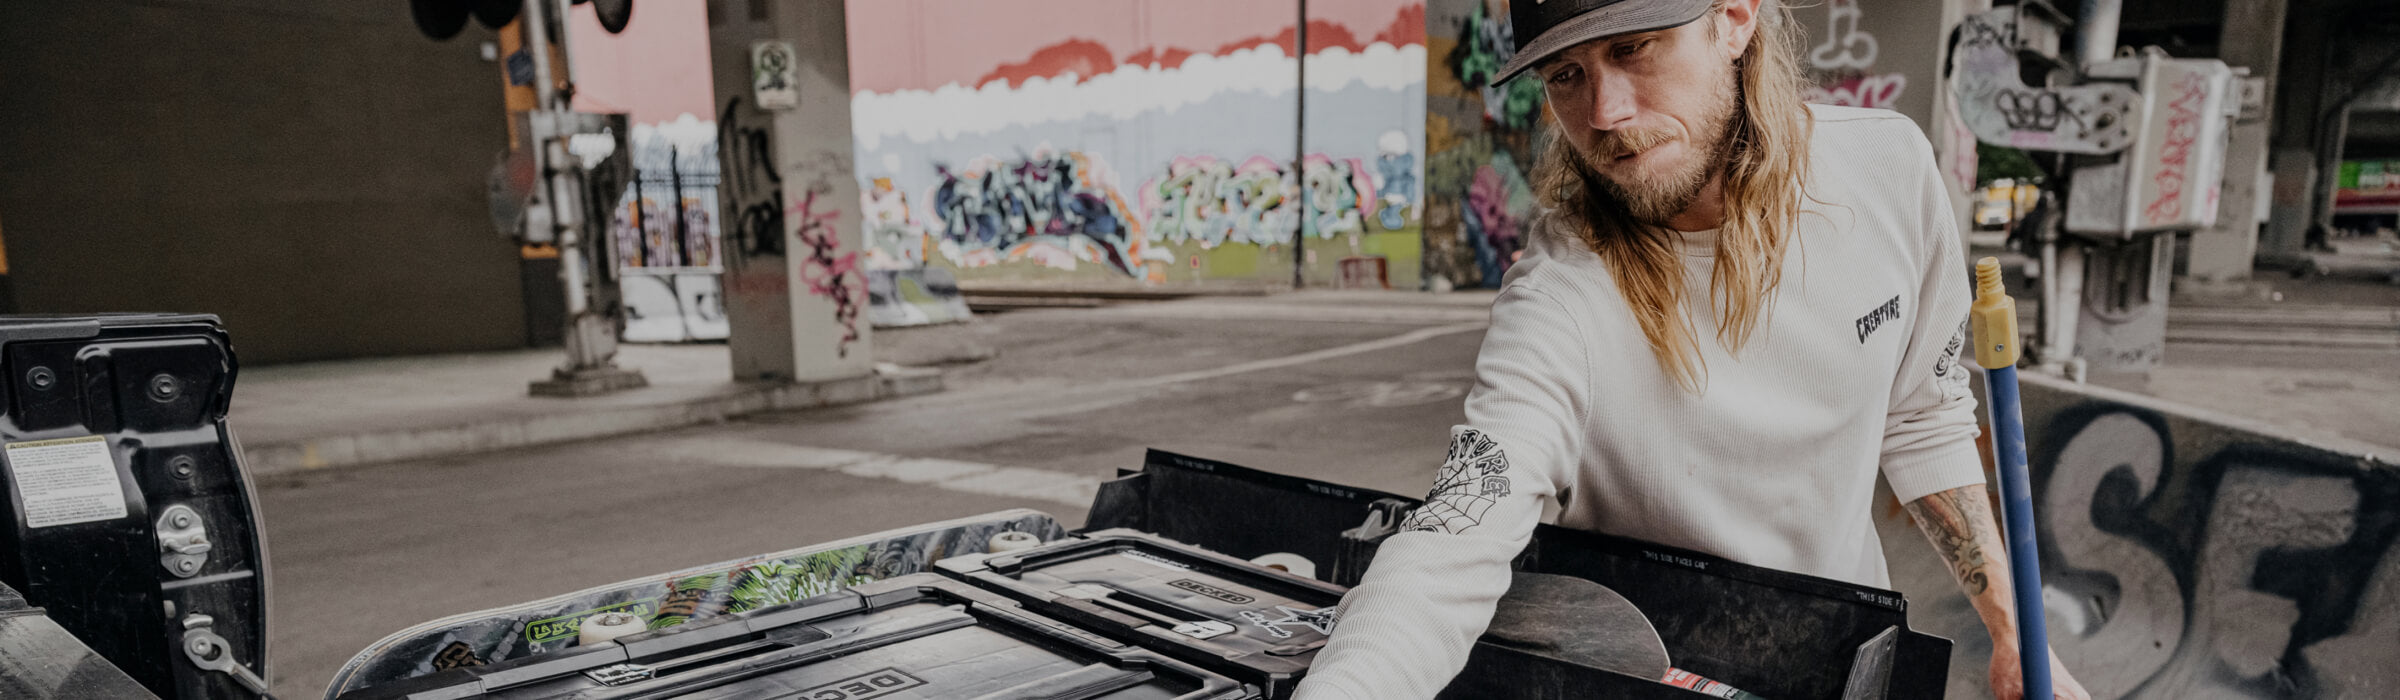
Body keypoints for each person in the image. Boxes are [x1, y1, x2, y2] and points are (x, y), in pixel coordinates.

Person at [1290, 1, 2093, 699]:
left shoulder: (1889, 169)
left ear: (1735, 17)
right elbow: (1453, 543)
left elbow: (1920, 414)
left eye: (1633, 47)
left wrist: (2015, 628)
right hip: (1651, 668)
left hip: (1846, 656)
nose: (1603, 111)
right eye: (1565, 74)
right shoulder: (1562, 294)